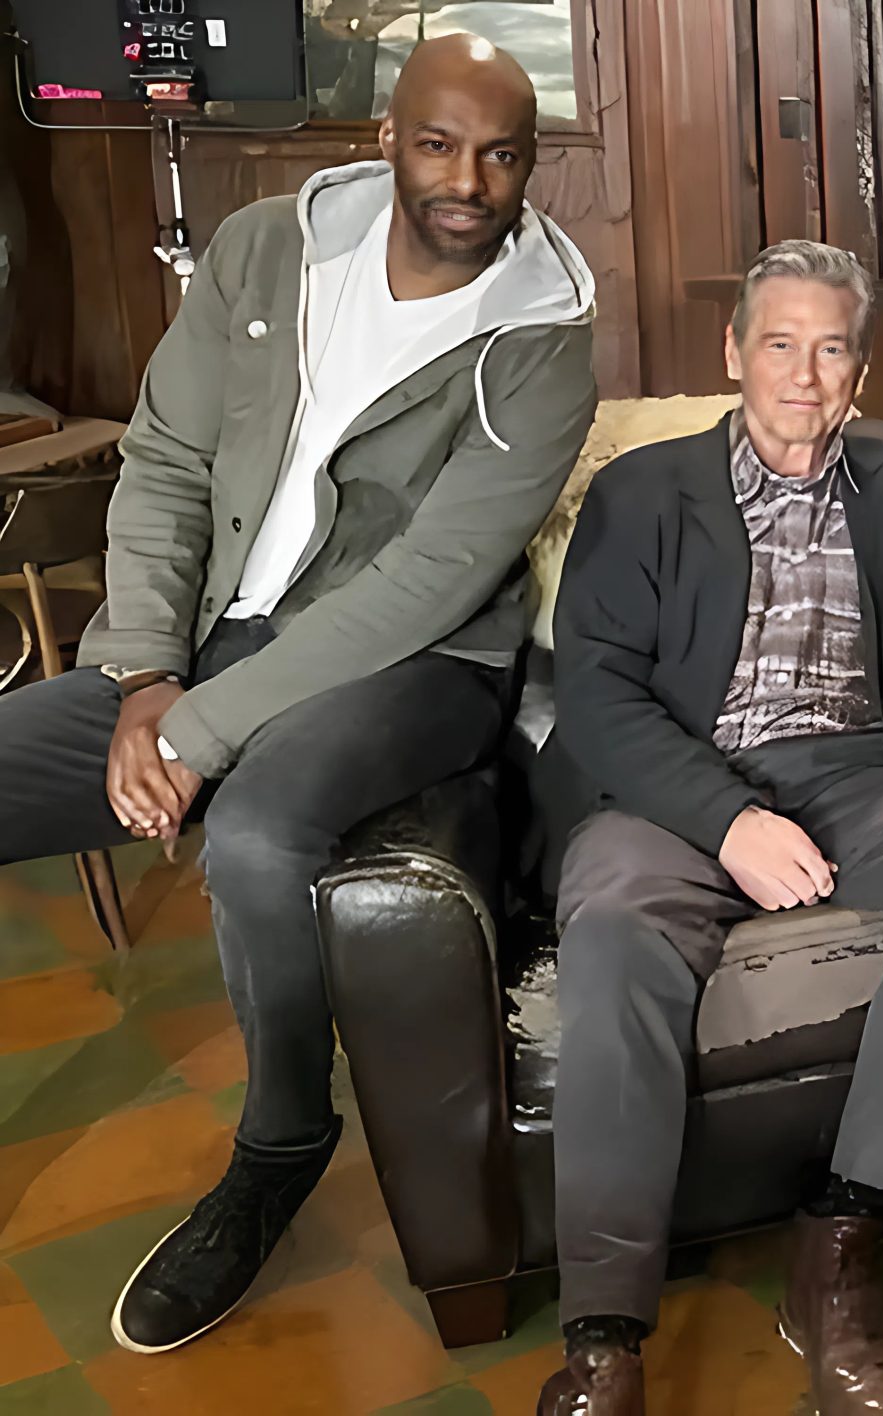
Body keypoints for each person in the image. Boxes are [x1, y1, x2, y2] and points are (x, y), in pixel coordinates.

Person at [0, 36, 596, 1354]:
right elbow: (165, 459)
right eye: (438, 144)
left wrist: (197, 732)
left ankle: (279, 1145)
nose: (468, 180)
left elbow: (430, 582)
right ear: (386, 139)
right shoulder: (265, 251)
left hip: (419, 666)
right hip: (206, 640)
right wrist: (147, 672)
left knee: (264, 833)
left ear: (529, 167)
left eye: (501, 156)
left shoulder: (546, 340)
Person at [533, 239, 883, 1416]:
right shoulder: (642, 494)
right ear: (733, 352)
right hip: (667, 787)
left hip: (850, 772)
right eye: (780, 344)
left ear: (862, 368)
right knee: (617, 926)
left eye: (831, 349)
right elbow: (596, 695)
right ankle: (604, 1334)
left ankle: (846, 1232)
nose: (803, 375)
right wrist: (727, 818)